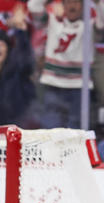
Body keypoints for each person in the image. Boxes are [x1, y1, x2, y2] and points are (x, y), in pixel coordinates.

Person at [28, 0, 104, 129]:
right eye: (68, 2)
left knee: (75, 134)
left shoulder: (89, 26)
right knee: (50, 131)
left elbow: (102, 23)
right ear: (62, 5)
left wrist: (97, 3)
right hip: (53, 85)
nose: (72, 6)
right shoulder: (52, 21)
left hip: (79, 88)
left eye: (76, 2)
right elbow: (33, 5)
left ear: (82, 6)